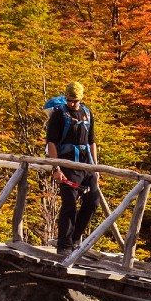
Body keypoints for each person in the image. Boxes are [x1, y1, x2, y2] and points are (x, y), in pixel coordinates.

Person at [46, 81, 98, 254]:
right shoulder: (59, 114)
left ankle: (74, 238)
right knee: (69, 203)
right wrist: (56, 168)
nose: (72, 103)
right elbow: (51, 142)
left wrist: (96, 168)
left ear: (81, 99)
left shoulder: (87, 113)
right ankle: (64, 246)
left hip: (86, 165)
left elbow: (92, 142)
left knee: (92, 201)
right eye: (69, 100)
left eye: (75, 101)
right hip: (67, 164)